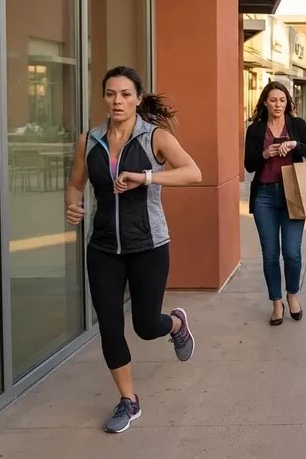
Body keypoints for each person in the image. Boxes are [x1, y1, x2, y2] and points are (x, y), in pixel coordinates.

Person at [64, 65, 202, 434]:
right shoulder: (89, 141)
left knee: (144, 325)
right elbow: (76, 183)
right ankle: (129, 401)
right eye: (111, 94)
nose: (118, 101)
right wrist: (73, 204)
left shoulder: (154, 137)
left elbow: (193, 172)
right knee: (110, 327)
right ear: (104, 98)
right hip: (103, 247)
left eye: (125, 94)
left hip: (149, 245)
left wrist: (146, 177)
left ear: (138, 98)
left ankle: (174, 323)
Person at [244, 81, 306, 326]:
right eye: (273, 100)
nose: (277, 104)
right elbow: (249, 165)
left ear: (288, 103)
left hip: (293, 194)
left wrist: (295, 144)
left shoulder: (296, 125)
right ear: (265, 102)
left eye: (282, 100)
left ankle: (292, 294)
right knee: (270, 254)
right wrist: (265, 154)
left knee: (292, 253)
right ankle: (276, 302)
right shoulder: (255, 130)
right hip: (264, 195)